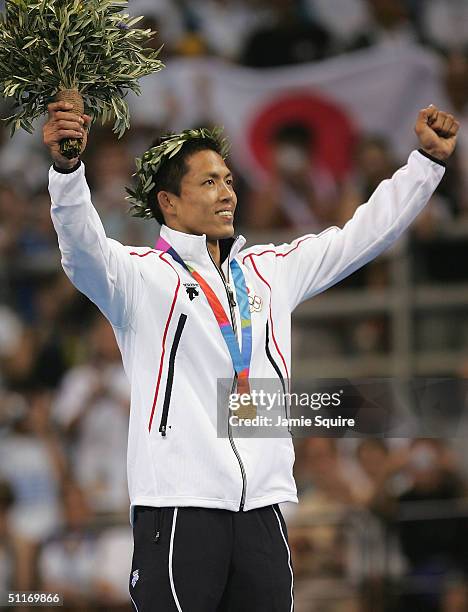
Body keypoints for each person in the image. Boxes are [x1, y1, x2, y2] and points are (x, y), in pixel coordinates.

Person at [43, 101, 458, 611]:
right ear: (168, 202)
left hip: (261, 508)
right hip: (179, 508)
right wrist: (67, 173)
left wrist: (426, 165)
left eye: (229, 180)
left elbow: (362, 236)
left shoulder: (270, 270)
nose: (227, 193)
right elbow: (81, 250)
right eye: (209, 182)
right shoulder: (139, 278)